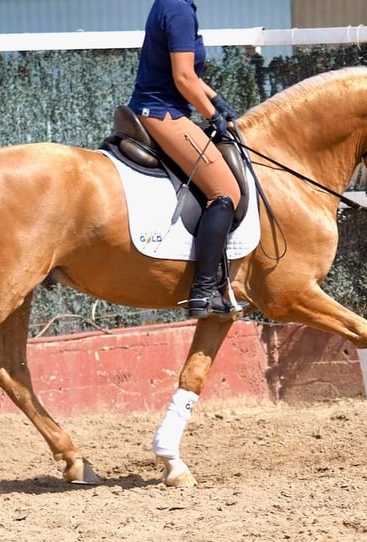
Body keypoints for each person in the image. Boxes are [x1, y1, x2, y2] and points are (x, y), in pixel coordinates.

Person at [128, 0, 241, 319]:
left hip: (161, 108)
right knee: (225, 192)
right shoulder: (178, 9)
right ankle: (203, 293)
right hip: (164, 114)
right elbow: (182, 79)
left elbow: (189, 74)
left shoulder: (171, 3)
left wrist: (215, 98)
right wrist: (212, 114)